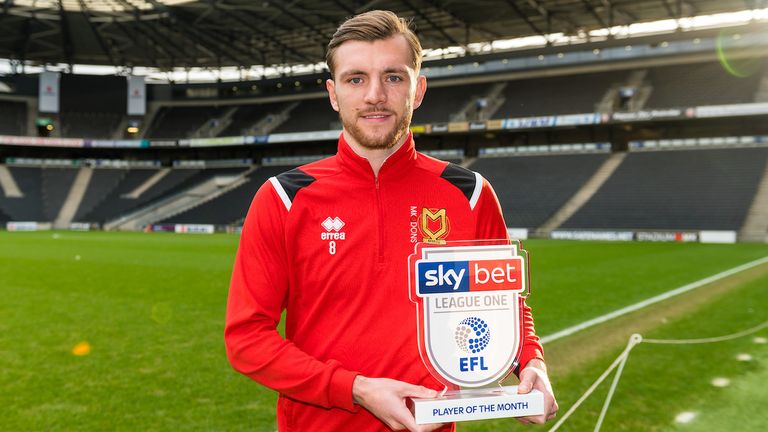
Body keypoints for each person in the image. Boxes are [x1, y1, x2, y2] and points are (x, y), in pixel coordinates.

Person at [225, 10, 557, 432]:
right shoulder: (284, 197)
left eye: (393, 77)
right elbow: (246, 340)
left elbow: (503, 306)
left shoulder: (469, 193)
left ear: (417, 90)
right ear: (333, 93)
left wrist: (531, 360)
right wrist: (355, 388)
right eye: (355, 78)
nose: (375, 95)